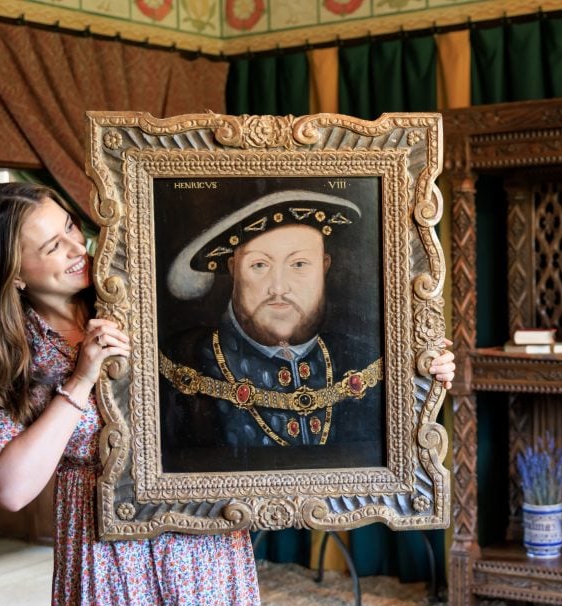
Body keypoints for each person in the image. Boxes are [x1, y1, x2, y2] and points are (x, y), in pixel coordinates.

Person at [0, 182, 271, 606]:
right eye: (53, 246)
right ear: (12, 273)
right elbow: (11, 488)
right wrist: (80, 379)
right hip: (107, 551)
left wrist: (414, 378)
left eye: (72, 228)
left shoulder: (149, 295)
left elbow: (268, 363)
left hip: (200, 529)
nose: (80, 249)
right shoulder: (15, 358)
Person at [158, 189, 455, 472]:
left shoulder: (367, 359)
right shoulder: (178, 361)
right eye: (259, 265)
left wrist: (425, 367)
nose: (278, 288)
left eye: (299, 264)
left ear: (324, 267)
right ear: (233, 268)